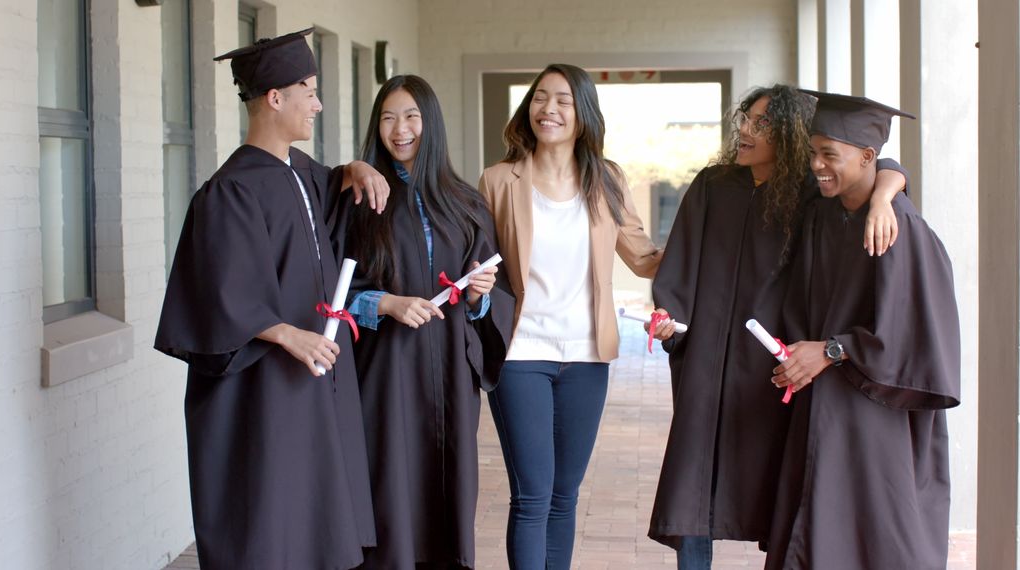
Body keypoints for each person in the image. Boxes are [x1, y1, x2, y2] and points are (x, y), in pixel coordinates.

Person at [154, 29, 392, 570]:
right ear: (276, 98)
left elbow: (327, 195)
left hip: (307, 380)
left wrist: (355, 169)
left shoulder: (299, 173)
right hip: (259, 389)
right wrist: (285, 333)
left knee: (311, 520)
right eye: (310, 90)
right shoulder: (230, 191)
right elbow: (219, 290)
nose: (318, 103)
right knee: (267, 523)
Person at [646, 84, 910, 570]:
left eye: (762, 123)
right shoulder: (713, 185)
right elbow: (681, 260)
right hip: (706, 359)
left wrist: (884, 197)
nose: (746, 130)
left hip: (776, 364)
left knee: (779, 487)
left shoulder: (813, 192)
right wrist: (669, 315)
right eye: (745, 119)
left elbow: (882, 167)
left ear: (791, 132)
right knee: (692, 484)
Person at [477, 63, 663, 569]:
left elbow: (643, 256)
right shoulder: (499, 180)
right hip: (520, 353)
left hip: (586, 355)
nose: (549, 109)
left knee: (565, 495)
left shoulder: (606, 179)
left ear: (583, 113)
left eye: (562, 100)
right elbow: (478, 259)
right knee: (533, 495)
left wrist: (702, 250)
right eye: (540, 97)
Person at [764, 91, 960, 570]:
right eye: (814, 152)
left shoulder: (900, 229)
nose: (817, 165)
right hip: (824, 401)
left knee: (872, 536)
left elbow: (915, 333)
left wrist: (831, 351)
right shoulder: (824, 211)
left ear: (867, 157)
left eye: (829, 154)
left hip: (875, 407)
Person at [339, 75, 515, 569]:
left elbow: (490, 294)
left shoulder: (465, 203)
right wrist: (385, 303)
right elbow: (333, 289)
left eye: (411, 116)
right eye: (388, 117)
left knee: (448, 489)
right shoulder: (361, 200)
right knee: (388, 486)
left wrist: (478, 297)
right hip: (387, 371)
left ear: (430, 122)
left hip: (451, 375)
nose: (400, 129)